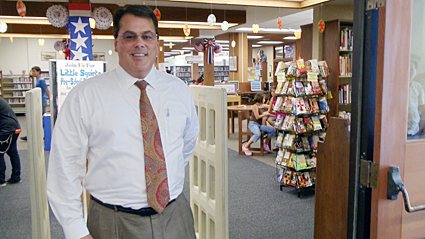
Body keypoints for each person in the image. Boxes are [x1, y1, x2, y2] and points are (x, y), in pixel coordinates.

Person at [46, 5, 199, 239]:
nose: (140, 43)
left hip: (174, 217)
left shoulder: (178, 90)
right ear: (116, 42)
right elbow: (64, 167)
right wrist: (76, 231)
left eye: (147, 36)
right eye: (129, 36)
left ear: (157, 42)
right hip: (112, 222)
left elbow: (185, 145)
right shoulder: (85, 96)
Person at [21, 66, 51, 141]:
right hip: (39, 100)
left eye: (34, 71)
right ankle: (45, 134)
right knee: (41, 119)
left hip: (41, 101)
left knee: (38, 119)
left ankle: (35, 136)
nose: (32, 73)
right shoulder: (37, 80)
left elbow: (47, 90)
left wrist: (50, 99)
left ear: (38, 72)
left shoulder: (41, 80)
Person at [0, 97, 21, 187]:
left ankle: (1, 180)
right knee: (12, 152)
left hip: (6, 129)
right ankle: (16, 177)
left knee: (0, 153)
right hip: (14, 127)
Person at [407, 59, 425, 136]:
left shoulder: (418, 87)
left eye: (411, 69)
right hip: (397, 129)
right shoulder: (395, 86)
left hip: (414, 130)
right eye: (407, 68)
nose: (409, 71)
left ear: (415, 72)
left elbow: (422, 108)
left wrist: (421, 129)